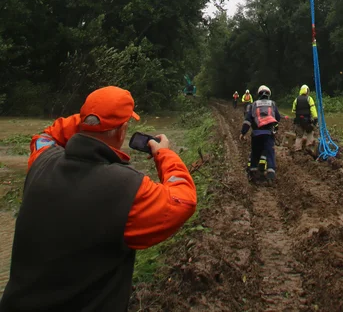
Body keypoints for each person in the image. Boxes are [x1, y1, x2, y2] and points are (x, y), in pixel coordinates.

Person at [0, 85, 196, 312]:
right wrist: (164, 153)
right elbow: (182, 199)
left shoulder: (42, 162)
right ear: (122, 131)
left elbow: (46, 135)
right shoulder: (128, 189)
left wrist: (89, 120)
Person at [240, 84, 280, 183]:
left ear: (259, 94)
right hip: (268, 134)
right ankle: (270, 175)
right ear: (269, 94)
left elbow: (248, 120)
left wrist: (243, 133)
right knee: (270, 153)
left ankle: (253, 175)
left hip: (256, 133)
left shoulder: (254, 104)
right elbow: (277, 118)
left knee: (255, 153)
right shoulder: (272, 104)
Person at [292, 84, 318, 150]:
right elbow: (313, 109)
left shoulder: (296, 99)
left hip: (298, 121)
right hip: (307, 120)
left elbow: (293, 110)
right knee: (309, 132)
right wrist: (315, 118)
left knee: (299, 136)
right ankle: (309, 147)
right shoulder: (309, 99)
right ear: (307, 91)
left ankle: (297, 149)